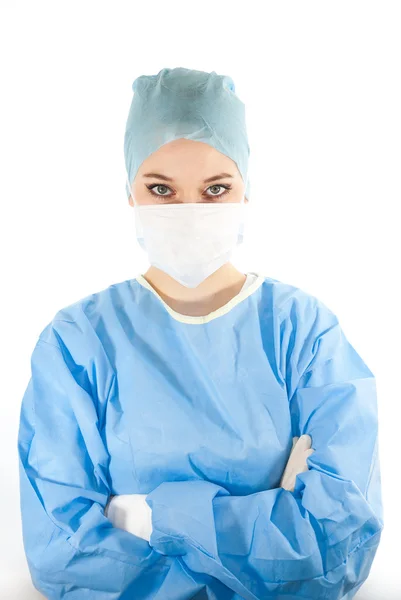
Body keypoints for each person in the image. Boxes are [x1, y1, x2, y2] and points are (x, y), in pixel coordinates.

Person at [17, 67, 383, 600]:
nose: (188, 212)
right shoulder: (78, 342)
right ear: (129, 193)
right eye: (161, 189)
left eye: (216, 189)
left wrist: (149, 517)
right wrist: (266, 530)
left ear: (246, 192)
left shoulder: (302, 333)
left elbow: (339, 542)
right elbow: (63, 556)